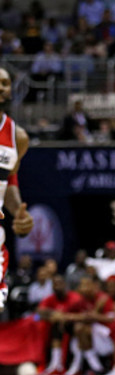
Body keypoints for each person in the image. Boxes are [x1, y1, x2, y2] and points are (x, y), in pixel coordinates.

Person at [0, 68, 33, 314]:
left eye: (5, 83)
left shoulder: (18, 136)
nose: (1, 87)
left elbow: (9, 182)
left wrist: (18, 213)